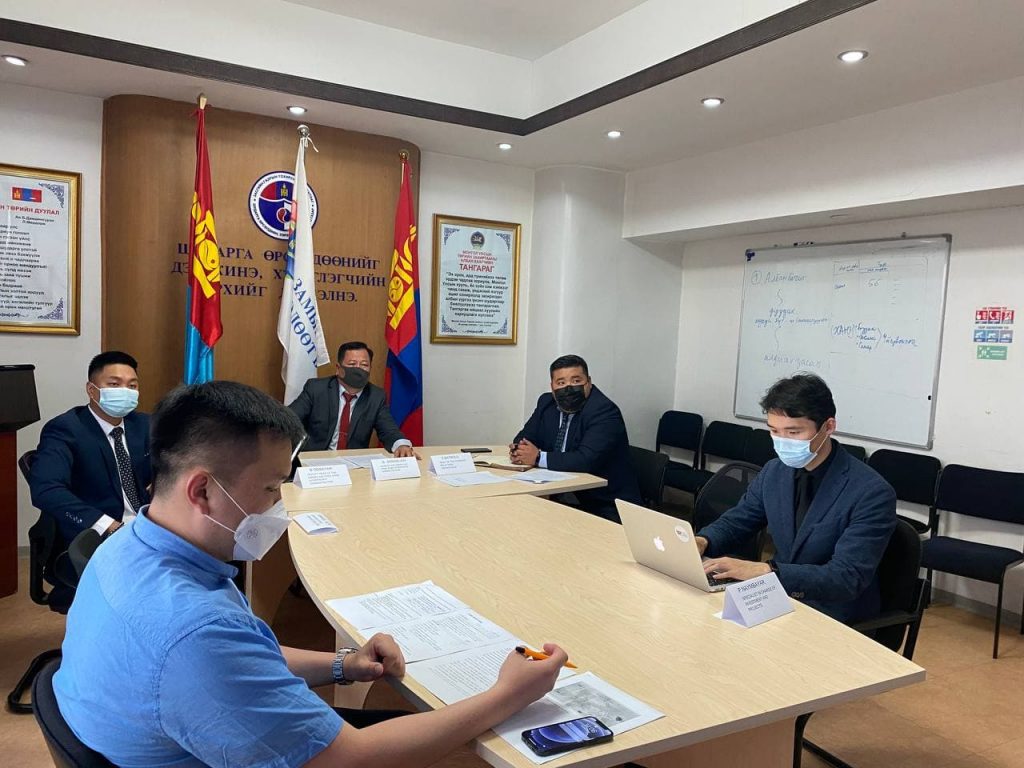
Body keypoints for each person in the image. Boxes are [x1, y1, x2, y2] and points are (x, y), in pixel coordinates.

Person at [54, 380, 568, 767]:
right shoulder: (196, 631)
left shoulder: (130, 544)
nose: (279, 506)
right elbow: (350, 759)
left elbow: (246, 655)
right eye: (271, 488)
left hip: (153, 736)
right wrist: (510, 693)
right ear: (202, 490)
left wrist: (345, 665)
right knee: (482, 748)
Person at [696, 373, 897, 623]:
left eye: (793, 432)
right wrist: (703, 541)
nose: (782, 442)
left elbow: (846, 577)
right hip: (778, 596)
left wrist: (766, 570)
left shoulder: (871, 492)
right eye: (774, 431)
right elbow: (738, 521)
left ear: (828, 427)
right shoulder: (774, 471)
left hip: (833, 612)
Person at [29, 350, 151, 545]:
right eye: (114, 384)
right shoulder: (66, 429)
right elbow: (46, 489)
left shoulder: (144, 424)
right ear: (92, 390)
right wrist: (108, 526)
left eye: (132, 386)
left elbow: (168, 466)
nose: (125, 391)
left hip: (146, 526)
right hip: (96, 533)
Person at [511, 354, 642, 522]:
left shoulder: (604, 411)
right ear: (552, 387)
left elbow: (585, 459)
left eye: (576, 381)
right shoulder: (546, 403)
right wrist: (519, 450)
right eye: (561, 383)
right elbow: (524, 437)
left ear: (589, 382)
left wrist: (537, 457)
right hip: (560, 493)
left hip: (604, 504)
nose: (568, 388)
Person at [288, 341, 415, 457]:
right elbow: (289, 419)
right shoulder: (316, 389)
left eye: (364, 365)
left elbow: (389, 430)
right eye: (352, 364)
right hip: (316, 461)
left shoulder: (376, 396)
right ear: (338, 369)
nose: (358, 369)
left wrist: (401, 445)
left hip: (353, 464)